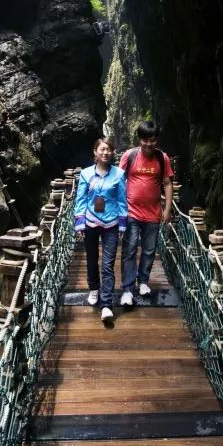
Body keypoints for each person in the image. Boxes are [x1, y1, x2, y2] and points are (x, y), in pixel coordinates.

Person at [118, 121, 174, 306]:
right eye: (145, 140)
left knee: (149, 251)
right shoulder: (130, 155)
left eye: (152, 140)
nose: (149, 144)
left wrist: (167, 209)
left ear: (156, 139)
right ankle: (127, 289)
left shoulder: (162, 158)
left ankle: (143, 282)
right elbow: (118, 181)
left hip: (153, 214)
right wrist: (118, 209)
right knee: (130, 250)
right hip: (131, 213)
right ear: (139, 139)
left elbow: (167, 183)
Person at [73, 137, 128, 322]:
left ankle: (106, 304)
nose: (105, 152)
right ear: (95, 152)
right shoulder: (86, 174)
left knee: (107, 264)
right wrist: (79, 222)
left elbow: (122, 200)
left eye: (109, 150)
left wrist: (122, 223)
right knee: (91, 259)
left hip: (111, 223)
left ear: (112, 153)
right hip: (90, 221)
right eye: (102, 149)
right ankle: (94, 288)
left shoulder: (119, 174)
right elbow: (80, 200)